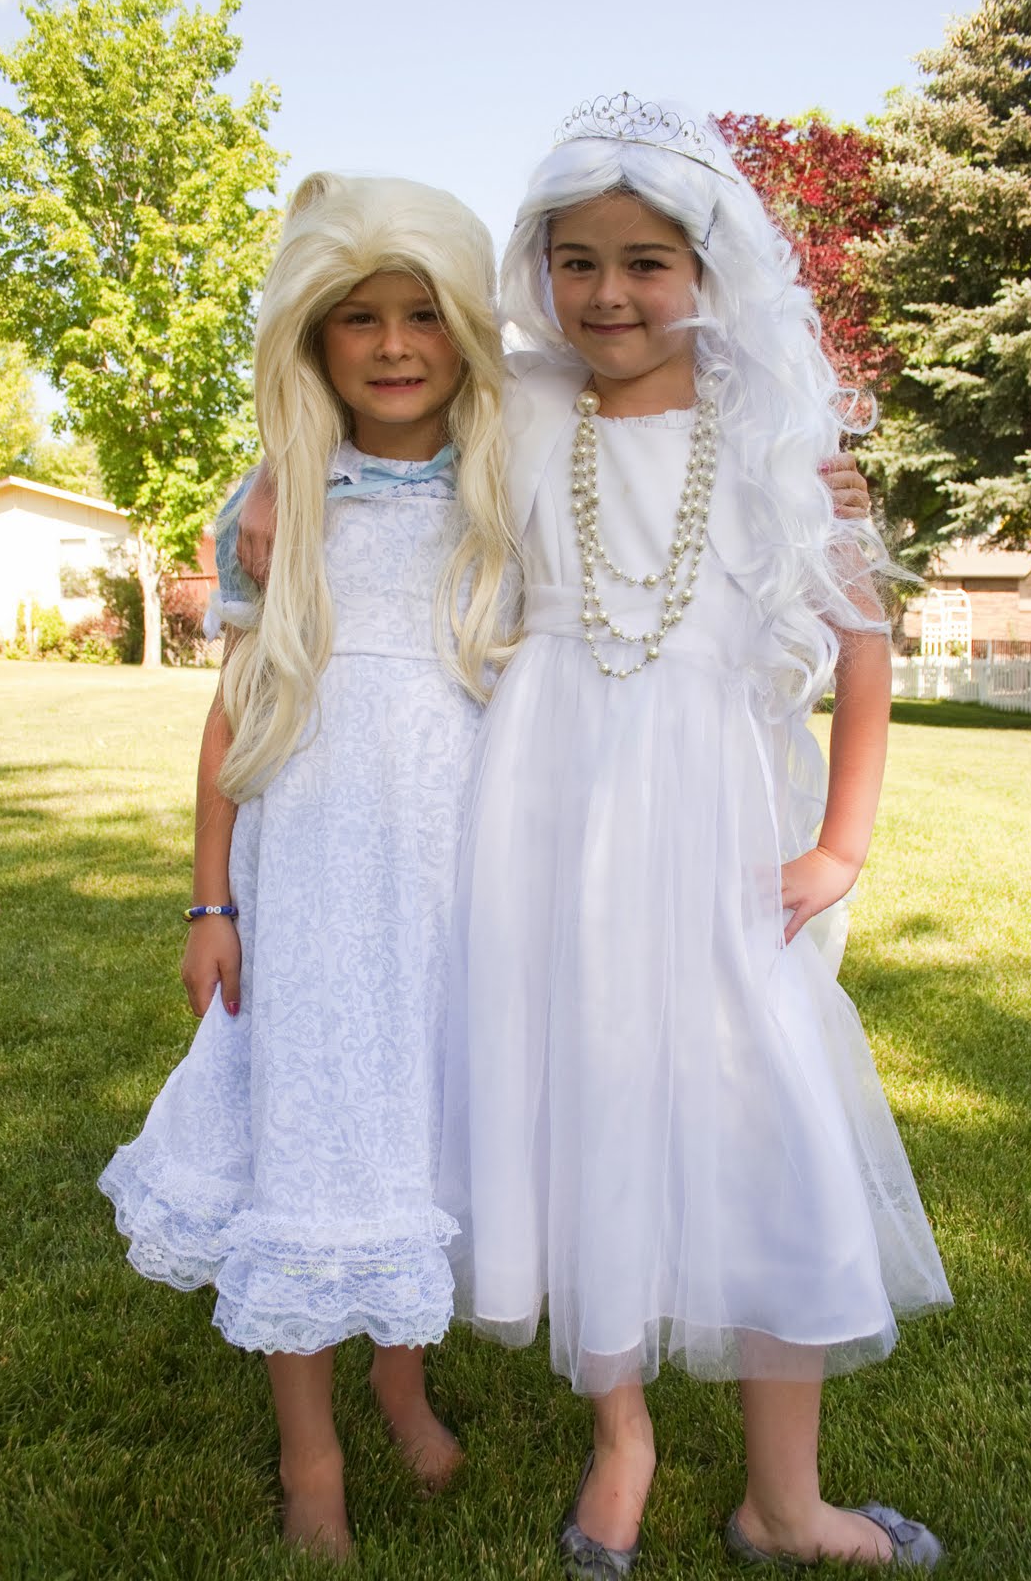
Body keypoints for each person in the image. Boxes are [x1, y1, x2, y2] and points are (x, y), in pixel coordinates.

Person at [434, 95, 951, 1575]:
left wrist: (841, 846)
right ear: (540, 268)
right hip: (544, 812)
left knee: (766, 1108)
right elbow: (360, 418)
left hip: (719, 826)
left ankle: (784, 1500)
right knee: (579, 1091)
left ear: (709, 267)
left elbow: (864, 645)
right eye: (578, 261)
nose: (609, 294)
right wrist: (271, 483)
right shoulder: (515, 410)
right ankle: (623, 1436)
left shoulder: (780, 440)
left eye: (647, 262)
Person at [98, 171, 514, 1562]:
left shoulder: (505, 491)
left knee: (416, 1127)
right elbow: (237, 708)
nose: (393, 345)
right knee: (315, 1131)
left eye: (422, 315)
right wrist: (210, 898)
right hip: (316, 881)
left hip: (452, 877)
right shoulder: (278, 503)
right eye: (357, 318)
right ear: (313, 337)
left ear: (466, 328)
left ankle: (400, 1381)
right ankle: (311, 1453)